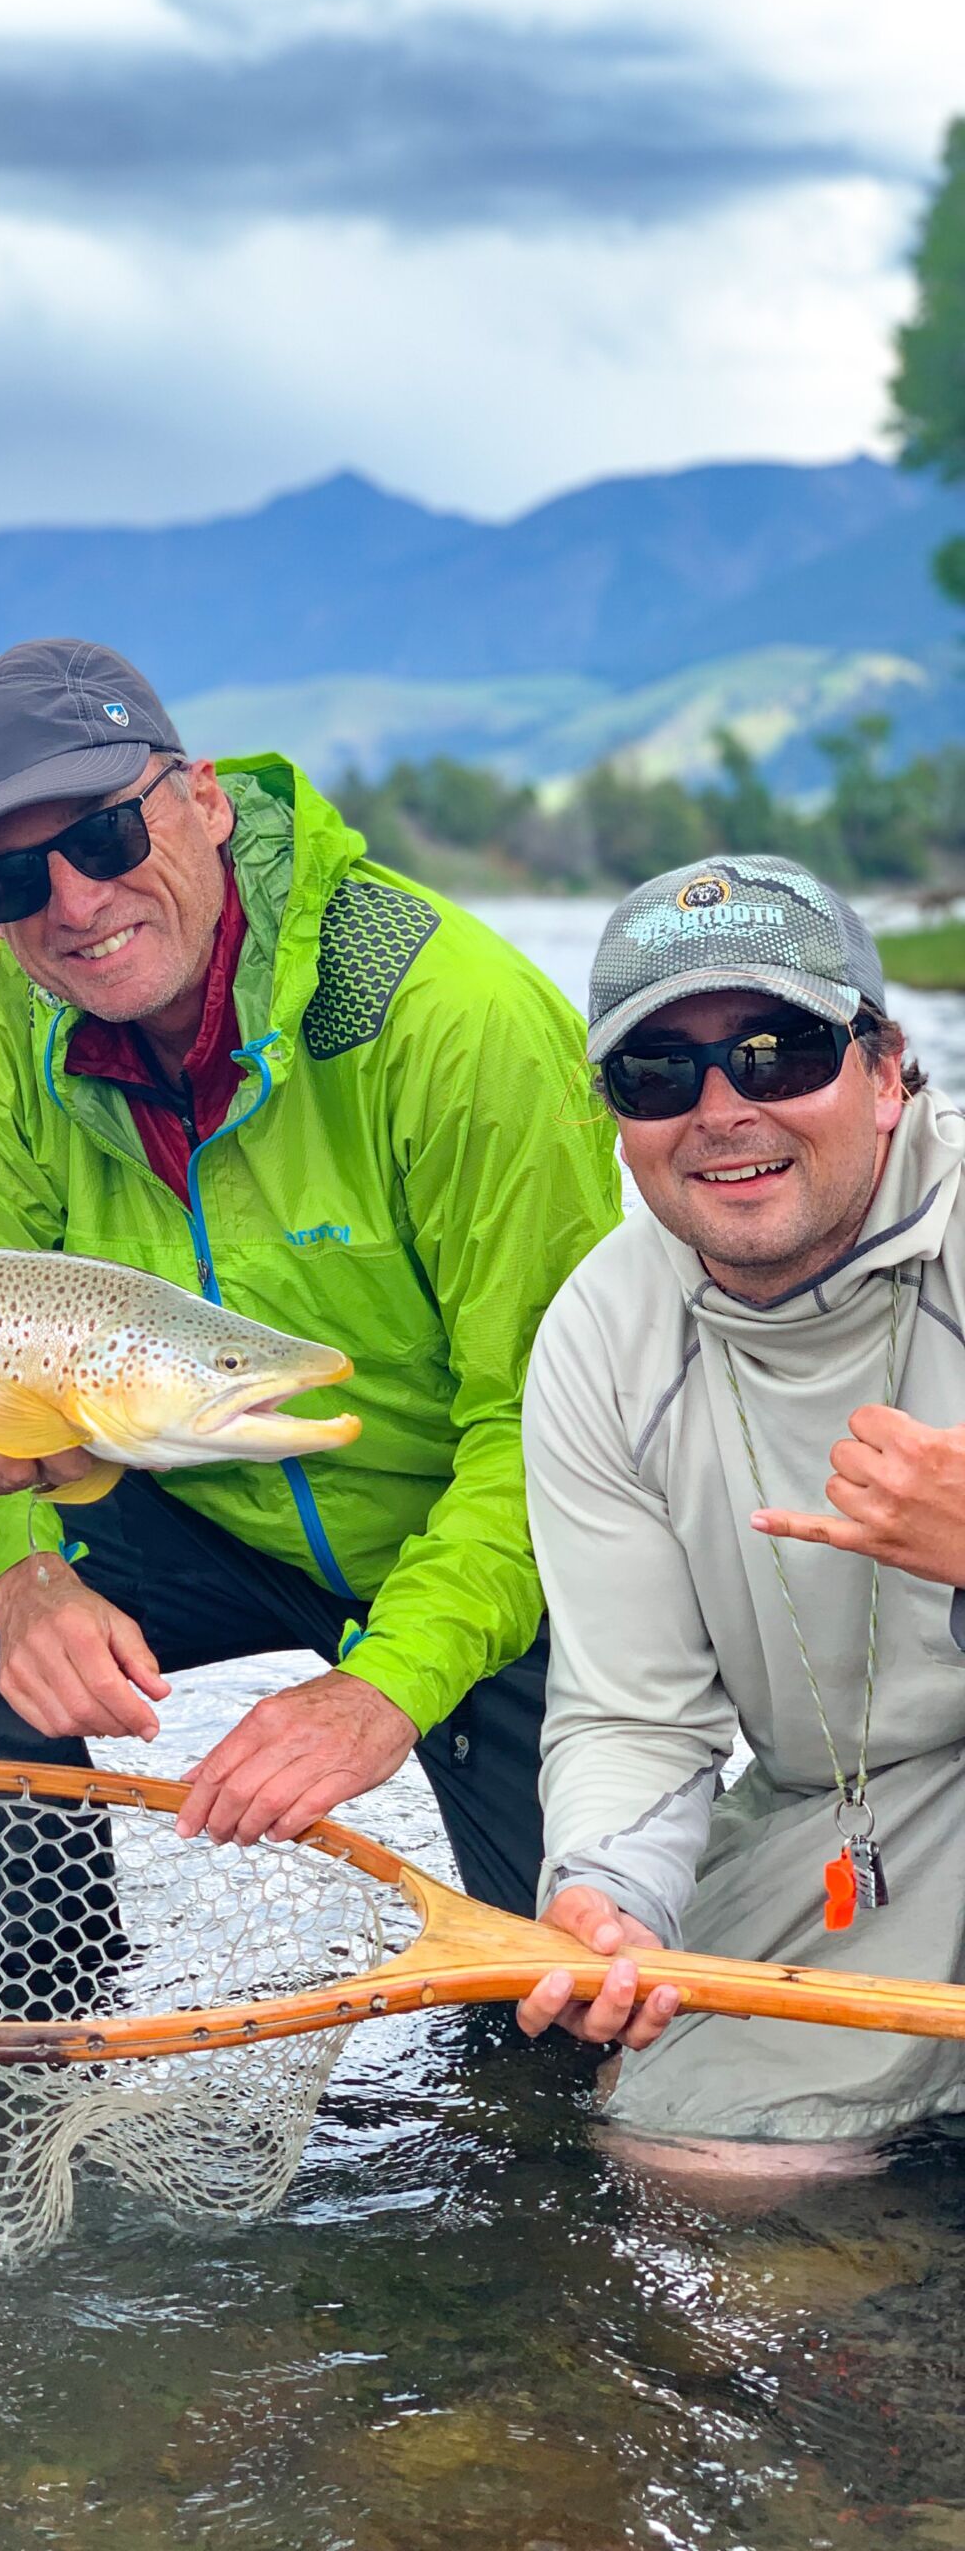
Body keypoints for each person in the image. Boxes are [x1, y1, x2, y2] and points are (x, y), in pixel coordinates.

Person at [0, 639, 621, 1911]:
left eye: (100, 838)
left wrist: (384, 1686)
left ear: (203, 799)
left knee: (574, 2006)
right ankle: (33, 2019)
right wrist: (25, 1576)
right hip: (199, 1506)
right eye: (11, 878)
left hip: (477, 1533)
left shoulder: (456, 1022)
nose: (73, 904)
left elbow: (553, 1435)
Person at [515, 854, 965, 2159]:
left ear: (885, 1073)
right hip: (861, 1819)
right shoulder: (602, 1340)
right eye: (660, 1075)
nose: (722, 1109)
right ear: (617, 1116)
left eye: (778, 1053)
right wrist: (603, 1895)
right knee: (693, 2163)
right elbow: (632, 1714)